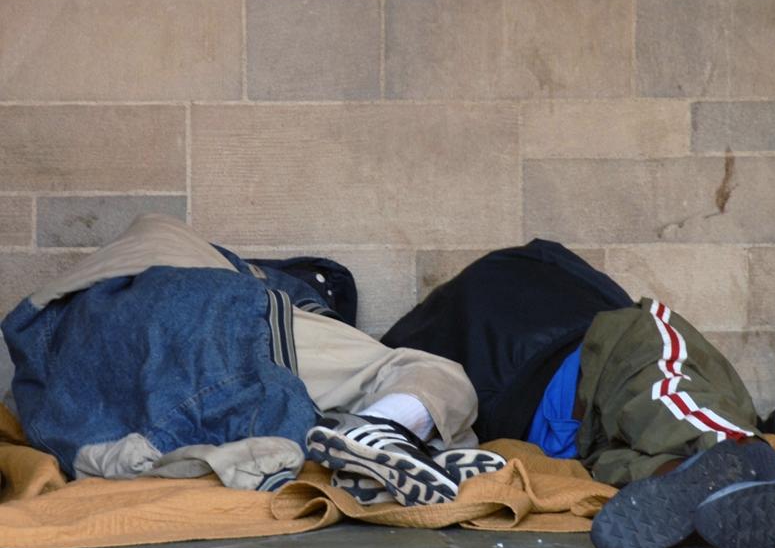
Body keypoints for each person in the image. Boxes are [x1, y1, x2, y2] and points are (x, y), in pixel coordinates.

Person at [1, 214, 504, 506]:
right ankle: (379, 430)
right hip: (204, 314)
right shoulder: (248, 287)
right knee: (436, 375)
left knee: (183, 443)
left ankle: (359, 446)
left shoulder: (49, 347)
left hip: (83, 392)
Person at [381, 239, 775, 548]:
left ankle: (718, 477)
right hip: (584, 382)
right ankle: (747, 463)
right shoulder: (521, 275)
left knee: (645, 441)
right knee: (665, 389)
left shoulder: (410, 348)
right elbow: (599, 299)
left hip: (567, 426)